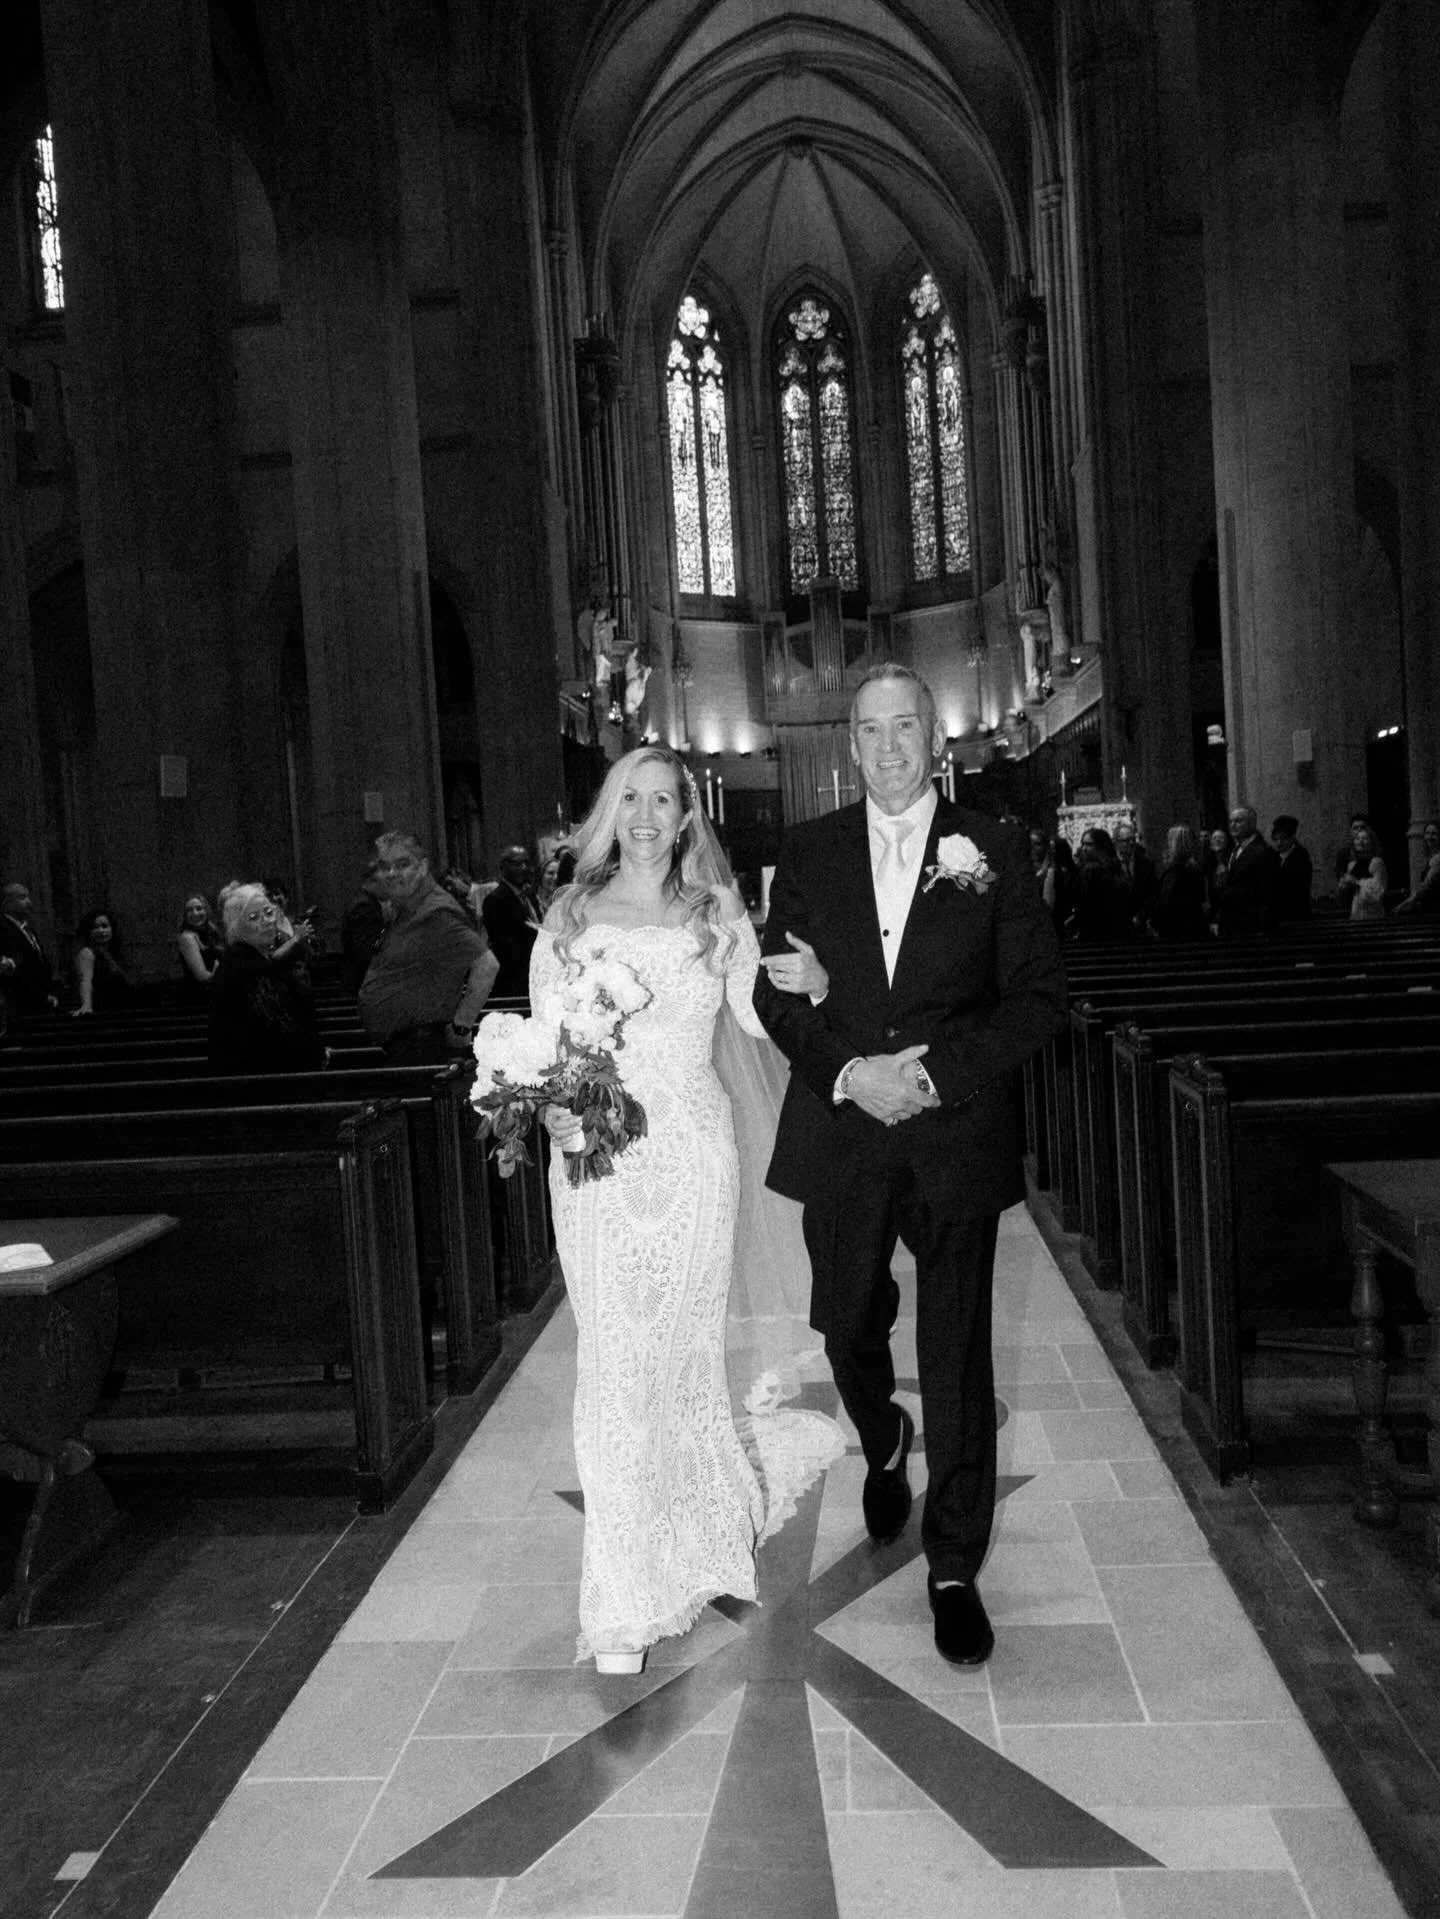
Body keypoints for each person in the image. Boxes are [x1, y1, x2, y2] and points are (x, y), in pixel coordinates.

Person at [754, 663, 1066, 1669]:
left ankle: (953, 1566)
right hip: (844, 1127)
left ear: (936, 739)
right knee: (846, 1319)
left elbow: (1037, 996)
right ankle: (882, 1431)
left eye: (905, 727)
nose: (888, 747)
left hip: (952, 1129)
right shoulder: (810, 850)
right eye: (870, 729)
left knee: (958, 1348)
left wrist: (933, 1076)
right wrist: (852, 1072)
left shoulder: (995, 847)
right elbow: (774, 994)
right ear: (850, 743)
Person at [532, 747, 842, 1673]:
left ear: (684, 816)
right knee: (613, 1364)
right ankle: (623, 1597)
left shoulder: (715, 913)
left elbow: (758, 1019)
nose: (646, 814)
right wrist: (549, 1109)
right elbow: (545, 1042)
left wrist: (819, 985)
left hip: (696, 1157)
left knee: (679, 1358)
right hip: (597, 1158)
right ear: (609, 811)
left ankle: (697, 1534)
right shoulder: (570, 915)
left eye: (663, 799)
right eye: (630, 797)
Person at [359, 832, 497, 1062]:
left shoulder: (436, 912)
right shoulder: (406, 907)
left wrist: (461, 1026)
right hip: (407, 1044)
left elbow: (487, 966)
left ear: (422, 867)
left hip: (423, 1044)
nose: (391, 874)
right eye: (384, 866)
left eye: (402, 864)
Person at [207, 884, 325, 1073]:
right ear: (237, 927)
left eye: (269, 913)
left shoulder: (253, 959)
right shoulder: (243, 965)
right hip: (257, 1078)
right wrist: (316, 1056)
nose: (267, 921)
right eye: (254, 917)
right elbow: (278, 1029)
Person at [483, 845, 543, 1001]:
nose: (523, 868)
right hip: (512, 980)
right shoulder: (495, 900)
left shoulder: (530, 896)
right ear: (503, 867)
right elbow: (505, 946)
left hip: (534, 974)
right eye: (517, 863)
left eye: (526, 863)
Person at [0, 880, 59, 1026]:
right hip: (19, 1004)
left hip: (39, 1002)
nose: (29, 902)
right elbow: (18, 969)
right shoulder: (3, 928)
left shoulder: (27, 928)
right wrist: (40, 996)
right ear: (7, 902)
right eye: (22, 898)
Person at [1215, 806, 1277, 940]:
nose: (1232, 825)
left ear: (1251, 824)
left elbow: (1268, 893)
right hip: (1232, 924)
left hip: (1250, 926)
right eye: (1230, 821)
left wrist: (1263, 928)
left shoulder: (1263, 851)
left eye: (1238, 821)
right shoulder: (1235, 849)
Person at [1067, 826, 1134, 942]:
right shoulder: (1113, 866)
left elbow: (1085, 903)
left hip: (1098, 929)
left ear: (1100, 846)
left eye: (1089, 845)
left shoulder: (1091, 870)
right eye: (1083, 844)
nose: (1084, 848)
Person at [1143, 824, 1208, 941]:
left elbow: (1164, 904)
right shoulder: (1195, 868)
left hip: (1175, 930)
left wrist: (1153, 922)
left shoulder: (1174, 873)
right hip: (1195, 927)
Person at [72, 908, 135, 1015]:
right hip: (103, 1010)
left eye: (105, 926)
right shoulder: (87, 953)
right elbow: (85, 980)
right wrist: (86, 1005)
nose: (101, 931)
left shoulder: (113, 953)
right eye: (95, 927)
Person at [340, 857, 389, 994]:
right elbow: (366, 952)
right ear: (372, 881)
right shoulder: (365, 906)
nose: (389, 888)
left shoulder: (365, 902)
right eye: (386, 883)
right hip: (363, 983)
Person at [1337, 821, 1388, 922]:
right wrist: (1342, 887)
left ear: (1371, 842)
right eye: (1357, 838)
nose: (1360, 841)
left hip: (1372, 913)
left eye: (1365, 838)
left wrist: (1356, 882)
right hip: (1356, 912)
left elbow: (1379, 890)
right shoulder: (1352, 865)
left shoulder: (1376, 862)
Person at [177, 893, 224, 998]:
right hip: (200, 996)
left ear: (206, 911)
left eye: (199, 908)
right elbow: (203, 977)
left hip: (216, 993)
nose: (195, 913)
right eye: (189, 910)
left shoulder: (212, 931)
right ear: (185, 916)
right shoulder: (187, 937)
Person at [1113, 818, 1157, 928]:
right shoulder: (1109, 865)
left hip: (1142, 922)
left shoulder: (1146, 863)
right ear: (1116, 843)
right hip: (1118, 923)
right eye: (1126, 840)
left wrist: (1141, 917)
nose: (1131, 843)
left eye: (1133, 839)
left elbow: (1153, 893)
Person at [1269, 815, 1313, 923]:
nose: (1279, 843)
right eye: (1276, 839)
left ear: (1292, 837)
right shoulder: (1272, 855)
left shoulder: (1301, 857)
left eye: (1283, 839)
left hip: (1295, 913)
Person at [1395, 821, 1440, 916]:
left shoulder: (1437, 859)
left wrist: (1405, 904)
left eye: (1434, 834)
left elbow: (1426, 886)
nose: (1429, 837)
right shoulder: (1430, 857)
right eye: (1427, 833)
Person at [1202, 827, 1232, 927]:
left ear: (1226, 842)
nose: (1217, 840)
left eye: (1221, 838)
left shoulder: (1231, 860)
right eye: (1214, 838)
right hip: (1211, 903)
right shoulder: (1206, 861)